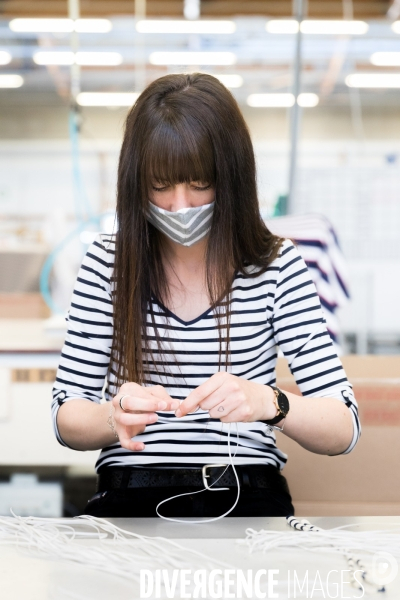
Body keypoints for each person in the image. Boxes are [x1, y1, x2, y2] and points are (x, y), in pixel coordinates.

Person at [51, 73, 360, 518]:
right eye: (160, 186)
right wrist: (112, 417)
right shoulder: (108, 263)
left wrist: (270, 403)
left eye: (198, 184)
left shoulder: (276, 266)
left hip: (246, 492)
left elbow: (344, 426)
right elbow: (65, 416)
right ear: (136, 183)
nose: (179, 205)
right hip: (130, 493)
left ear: (231, 177)